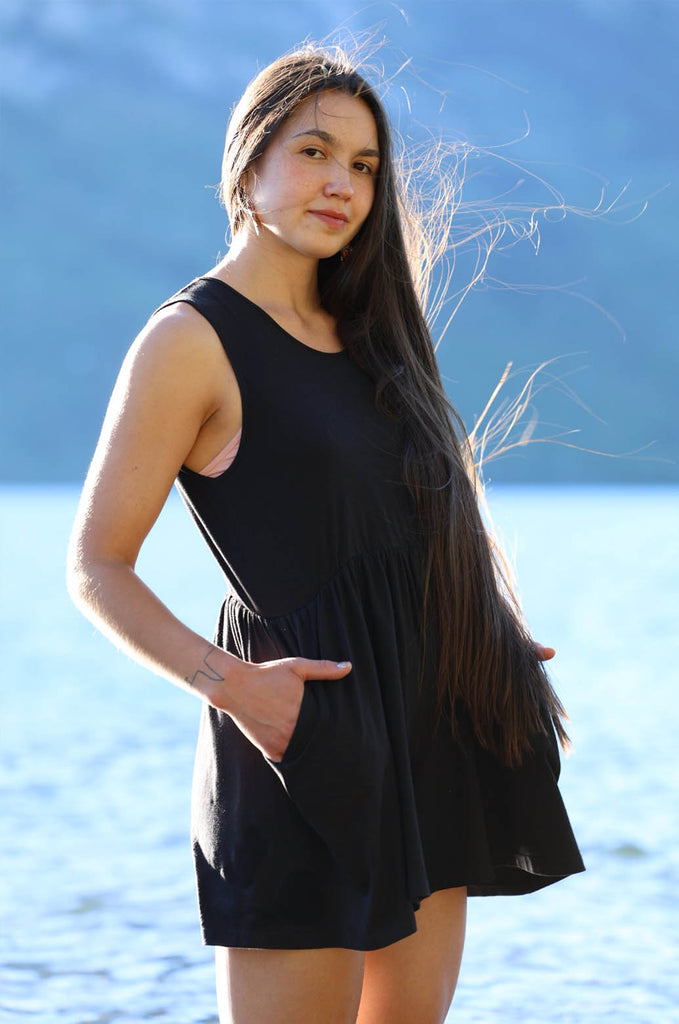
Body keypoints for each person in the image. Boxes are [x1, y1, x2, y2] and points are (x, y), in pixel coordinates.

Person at [67, 44, 584, 1024]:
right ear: (247, 163)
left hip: (429, 728)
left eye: (363, 165)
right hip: (297, 737)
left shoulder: (376, 332)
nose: (341, 183)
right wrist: (236, 692)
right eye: (312, 151)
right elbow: (95, 563)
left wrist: (491, 638)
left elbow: (407, 526)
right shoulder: (190, 339)